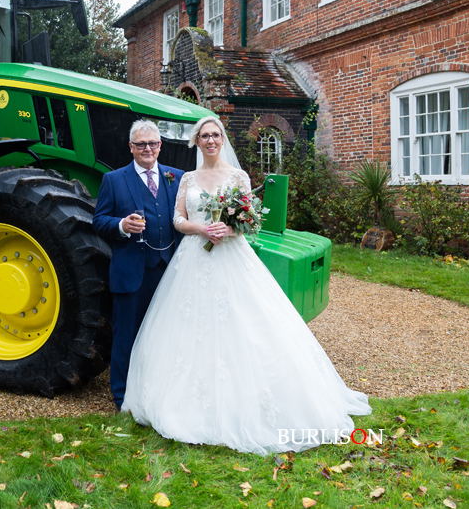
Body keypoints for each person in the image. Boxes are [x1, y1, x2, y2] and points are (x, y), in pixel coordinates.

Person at [122, 116, 371, 454]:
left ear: (223, 139)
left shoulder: (238, 177)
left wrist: (230, 229)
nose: (210, 140)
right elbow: (177, 219)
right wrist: (202, 229)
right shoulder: (188, 179)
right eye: (204, 136)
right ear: (196, 141)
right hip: (194, 257)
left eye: (215, 135)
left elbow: (248, 220)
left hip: (232, 257)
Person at [92, 120, 184, 411]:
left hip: (168, 270)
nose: (147, 149)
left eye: (152, 144)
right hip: (131, 273)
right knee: (126, 336)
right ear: (131, 147)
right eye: (141, 144)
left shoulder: (176, 177)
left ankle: (158, 394)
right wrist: (121, 224)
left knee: (164, 334)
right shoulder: (114, 180)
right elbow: (99, 221)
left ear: (160, 146)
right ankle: (122, 399)